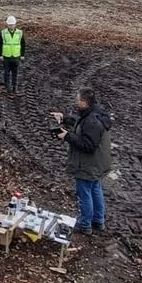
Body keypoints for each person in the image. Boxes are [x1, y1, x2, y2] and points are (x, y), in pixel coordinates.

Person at [51, 88, 112, 235]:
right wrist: (64, 117)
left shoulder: (91, 121)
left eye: (78, 100)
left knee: (84, 193)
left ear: (84, 102)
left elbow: (87, 146)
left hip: (87, 165)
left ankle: (85, 224)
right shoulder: (95, 113)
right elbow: (80, 122)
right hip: (97, 164)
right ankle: (98, 220)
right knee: (95, 189)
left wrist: (67, 136)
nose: (76, 102)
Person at [0, 15, 24, 95]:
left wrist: (22, 54)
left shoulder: (20, 33)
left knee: (15, 73)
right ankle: (7, 87)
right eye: (9, 25)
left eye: (12, 24)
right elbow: (0, 44)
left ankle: (14, 87)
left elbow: (23, 44)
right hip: (6, 56)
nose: (11, 26)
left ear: (15, 24)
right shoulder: (3, 32)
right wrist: (0, 55)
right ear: (7, 24)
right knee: (6, 72)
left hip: (16, 56)